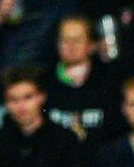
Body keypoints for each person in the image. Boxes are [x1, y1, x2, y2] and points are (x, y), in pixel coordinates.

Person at [46, 15, 122, 143]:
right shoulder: (45, 81)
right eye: (65, 40)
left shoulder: (109, 79)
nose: (71, 46)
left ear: (92, 45)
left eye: (77, 40)